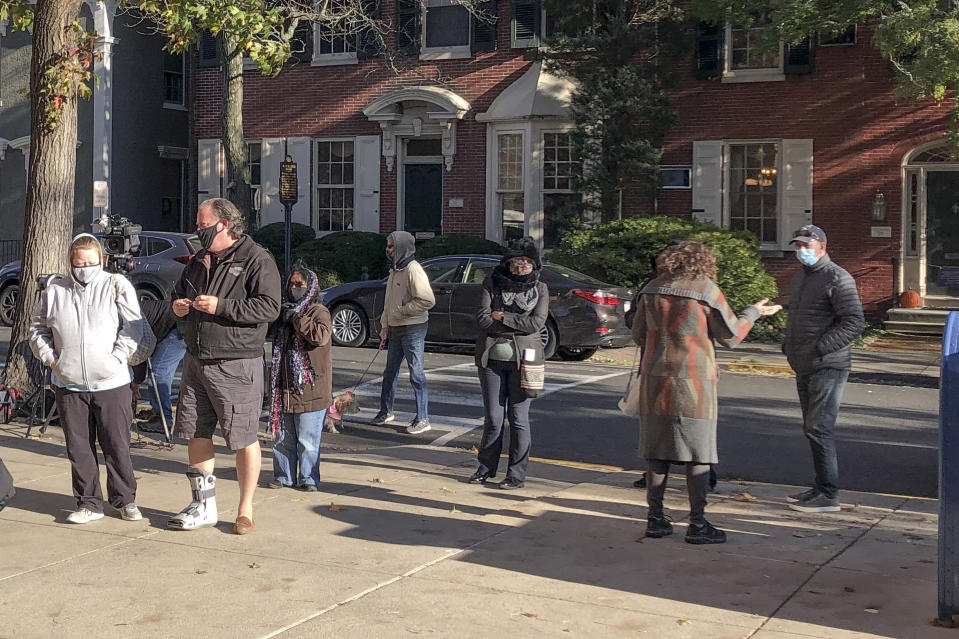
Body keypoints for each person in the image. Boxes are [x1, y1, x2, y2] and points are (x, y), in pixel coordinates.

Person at [631, 241, 781, 544]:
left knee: (657, 454)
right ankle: (698, 524)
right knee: (699, 454)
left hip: (654, 380)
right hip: (694, 380)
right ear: (703, 262)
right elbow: (731, 336)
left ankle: (655, 520)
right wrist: (753, 312)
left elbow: (637, 334)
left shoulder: (651, 289)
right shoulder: (706, 289)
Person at [168, 198, 281, 535]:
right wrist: (178, 308)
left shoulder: (256, 259)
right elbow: (177, 294)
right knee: (196, 433)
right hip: (196, 359)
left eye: (203, 225)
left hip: (236, 362)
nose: (197, 230)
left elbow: (270, 307)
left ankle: (245, 508)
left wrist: (221, 305)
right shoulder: (198, 261)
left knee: (243, 437)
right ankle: (203, 504)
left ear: (225, 225)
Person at [28, 233, 150, 524]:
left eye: (91, 262)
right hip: (68, 384)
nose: (85, 267)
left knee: (116, 445)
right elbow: (37, 330)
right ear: (71, 262)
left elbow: (133, 327)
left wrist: (117, 357)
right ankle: (88, 503)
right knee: (79, 448)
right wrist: (52, 360)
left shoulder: (115, 285)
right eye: (79, 262)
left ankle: (125, 500)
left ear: (101, 260)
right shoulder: (54, 291)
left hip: (112, 382)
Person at [782, 225, 864, 513]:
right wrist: (789, 345)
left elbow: (853, 321)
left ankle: (829, 494)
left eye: (807, 245)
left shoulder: (838, 278)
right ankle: (820, 488)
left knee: (819, 427)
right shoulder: (802, 278)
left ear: (823, 247)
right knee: (812, 428)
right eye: (798, 246)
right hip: (804, 363)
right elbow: (799, 315)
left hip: (828, 365)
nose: (801, 251)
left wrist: (820, 347)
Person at [468, 237, 548, 490]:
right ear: (507, 262)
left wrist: (503, 316)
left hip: (525, 361)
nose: (521, 267)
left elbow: (536, 323)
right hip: (491, 359)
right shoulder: (492, 282)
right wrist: (514, 323)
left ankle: (516, 474)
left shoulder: (541, 289)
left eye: (526, 263)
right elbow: (483, 319)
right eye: (516, 262)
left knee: (519, 419)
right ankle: (485, 468)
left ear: (534, 265)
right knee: (493, 417)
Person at [266, 265, 332, 492]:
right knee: (283, 438)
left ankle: (308, 478)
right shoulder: (285, 311)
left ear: (310, 287)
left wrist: (296, 318)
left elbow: (320, 336)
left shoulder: (319, 311)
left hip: (310, 390)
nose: (294, 288)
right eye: (292, 284)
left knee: (307, 440)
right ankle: (284, 475)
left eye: (299, 285)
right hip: (283, 388)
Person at [371, 231, 435, 435]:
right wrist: (385, 325)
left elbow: (427, 301)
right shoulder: (395, 270)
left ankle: (423, 418)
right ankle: (386, 411)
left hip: (413, 328)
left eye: (391, 246)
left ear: (401, 247)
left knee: (416, 373)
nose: (388, 250)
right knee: (390, 372)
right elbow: (389, 302)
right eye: (387, 246)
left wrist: (402, 311)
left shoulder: (413, 270)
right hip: (395, 328)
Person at [131, 297, 186, 433]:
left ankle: (163, 420)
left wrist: (136, 382)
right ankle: (157, 412)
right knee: (157, 371)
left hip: (176, 329)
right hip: (168, 326)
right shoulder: (127, 308)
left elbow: (139, 351)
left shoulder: (125, 317)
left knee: (159, 372)